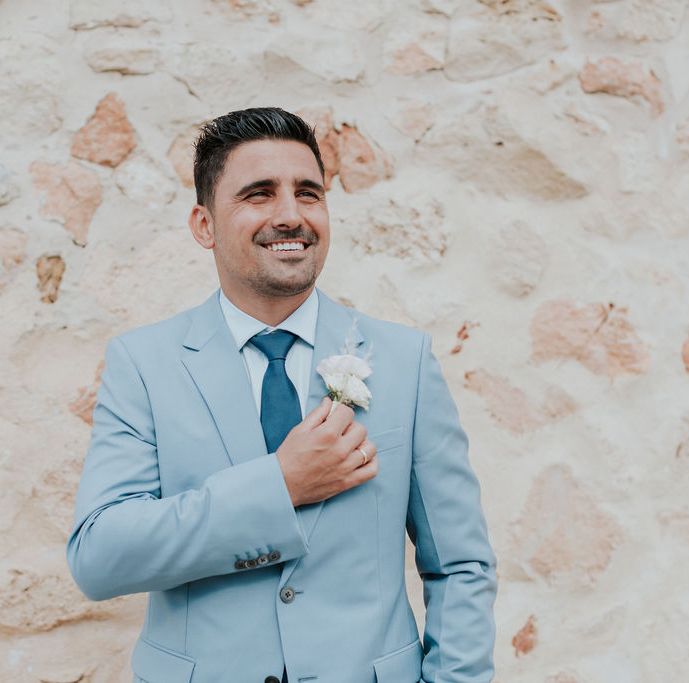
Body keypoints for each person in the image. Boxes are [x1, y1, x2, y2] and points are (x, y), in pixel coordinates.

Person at [67, 107, 497, 683]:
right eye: (259, 194)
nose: (290, 215)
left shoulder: (404, 361)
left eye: (309, 194)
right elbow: (100, 557)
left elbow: (460, 566)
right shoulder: (143, 364)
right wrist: (280, 486)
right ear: (204, 225)